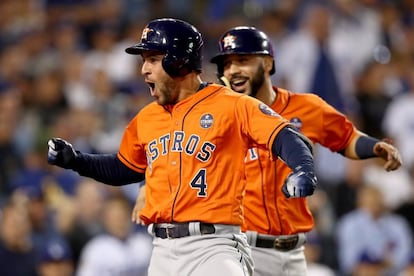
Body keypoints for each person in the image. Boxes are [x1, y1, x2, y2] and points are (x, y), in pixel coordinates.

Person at [47, 18, 318, 276]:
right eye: (144, 61)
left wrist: (303, 169)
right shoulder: (147, 117)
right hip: (162, 251)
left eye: (153, 59)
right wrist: (76, 160)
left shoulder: (232, 105)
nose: (144, 70)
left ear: (179, 61)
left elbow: (286, 136)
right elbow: (125, 168)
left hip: (214, 246)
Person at [208, 26, 402, 276]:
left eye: (242, 60)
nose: (232, 70)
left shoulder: (307, 107)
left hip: (294, 253)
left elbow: (346, 138)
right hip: (243, 250)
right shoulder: (217, 118)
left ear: (267, 63)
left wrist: (374, 146)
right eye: (226, 64)